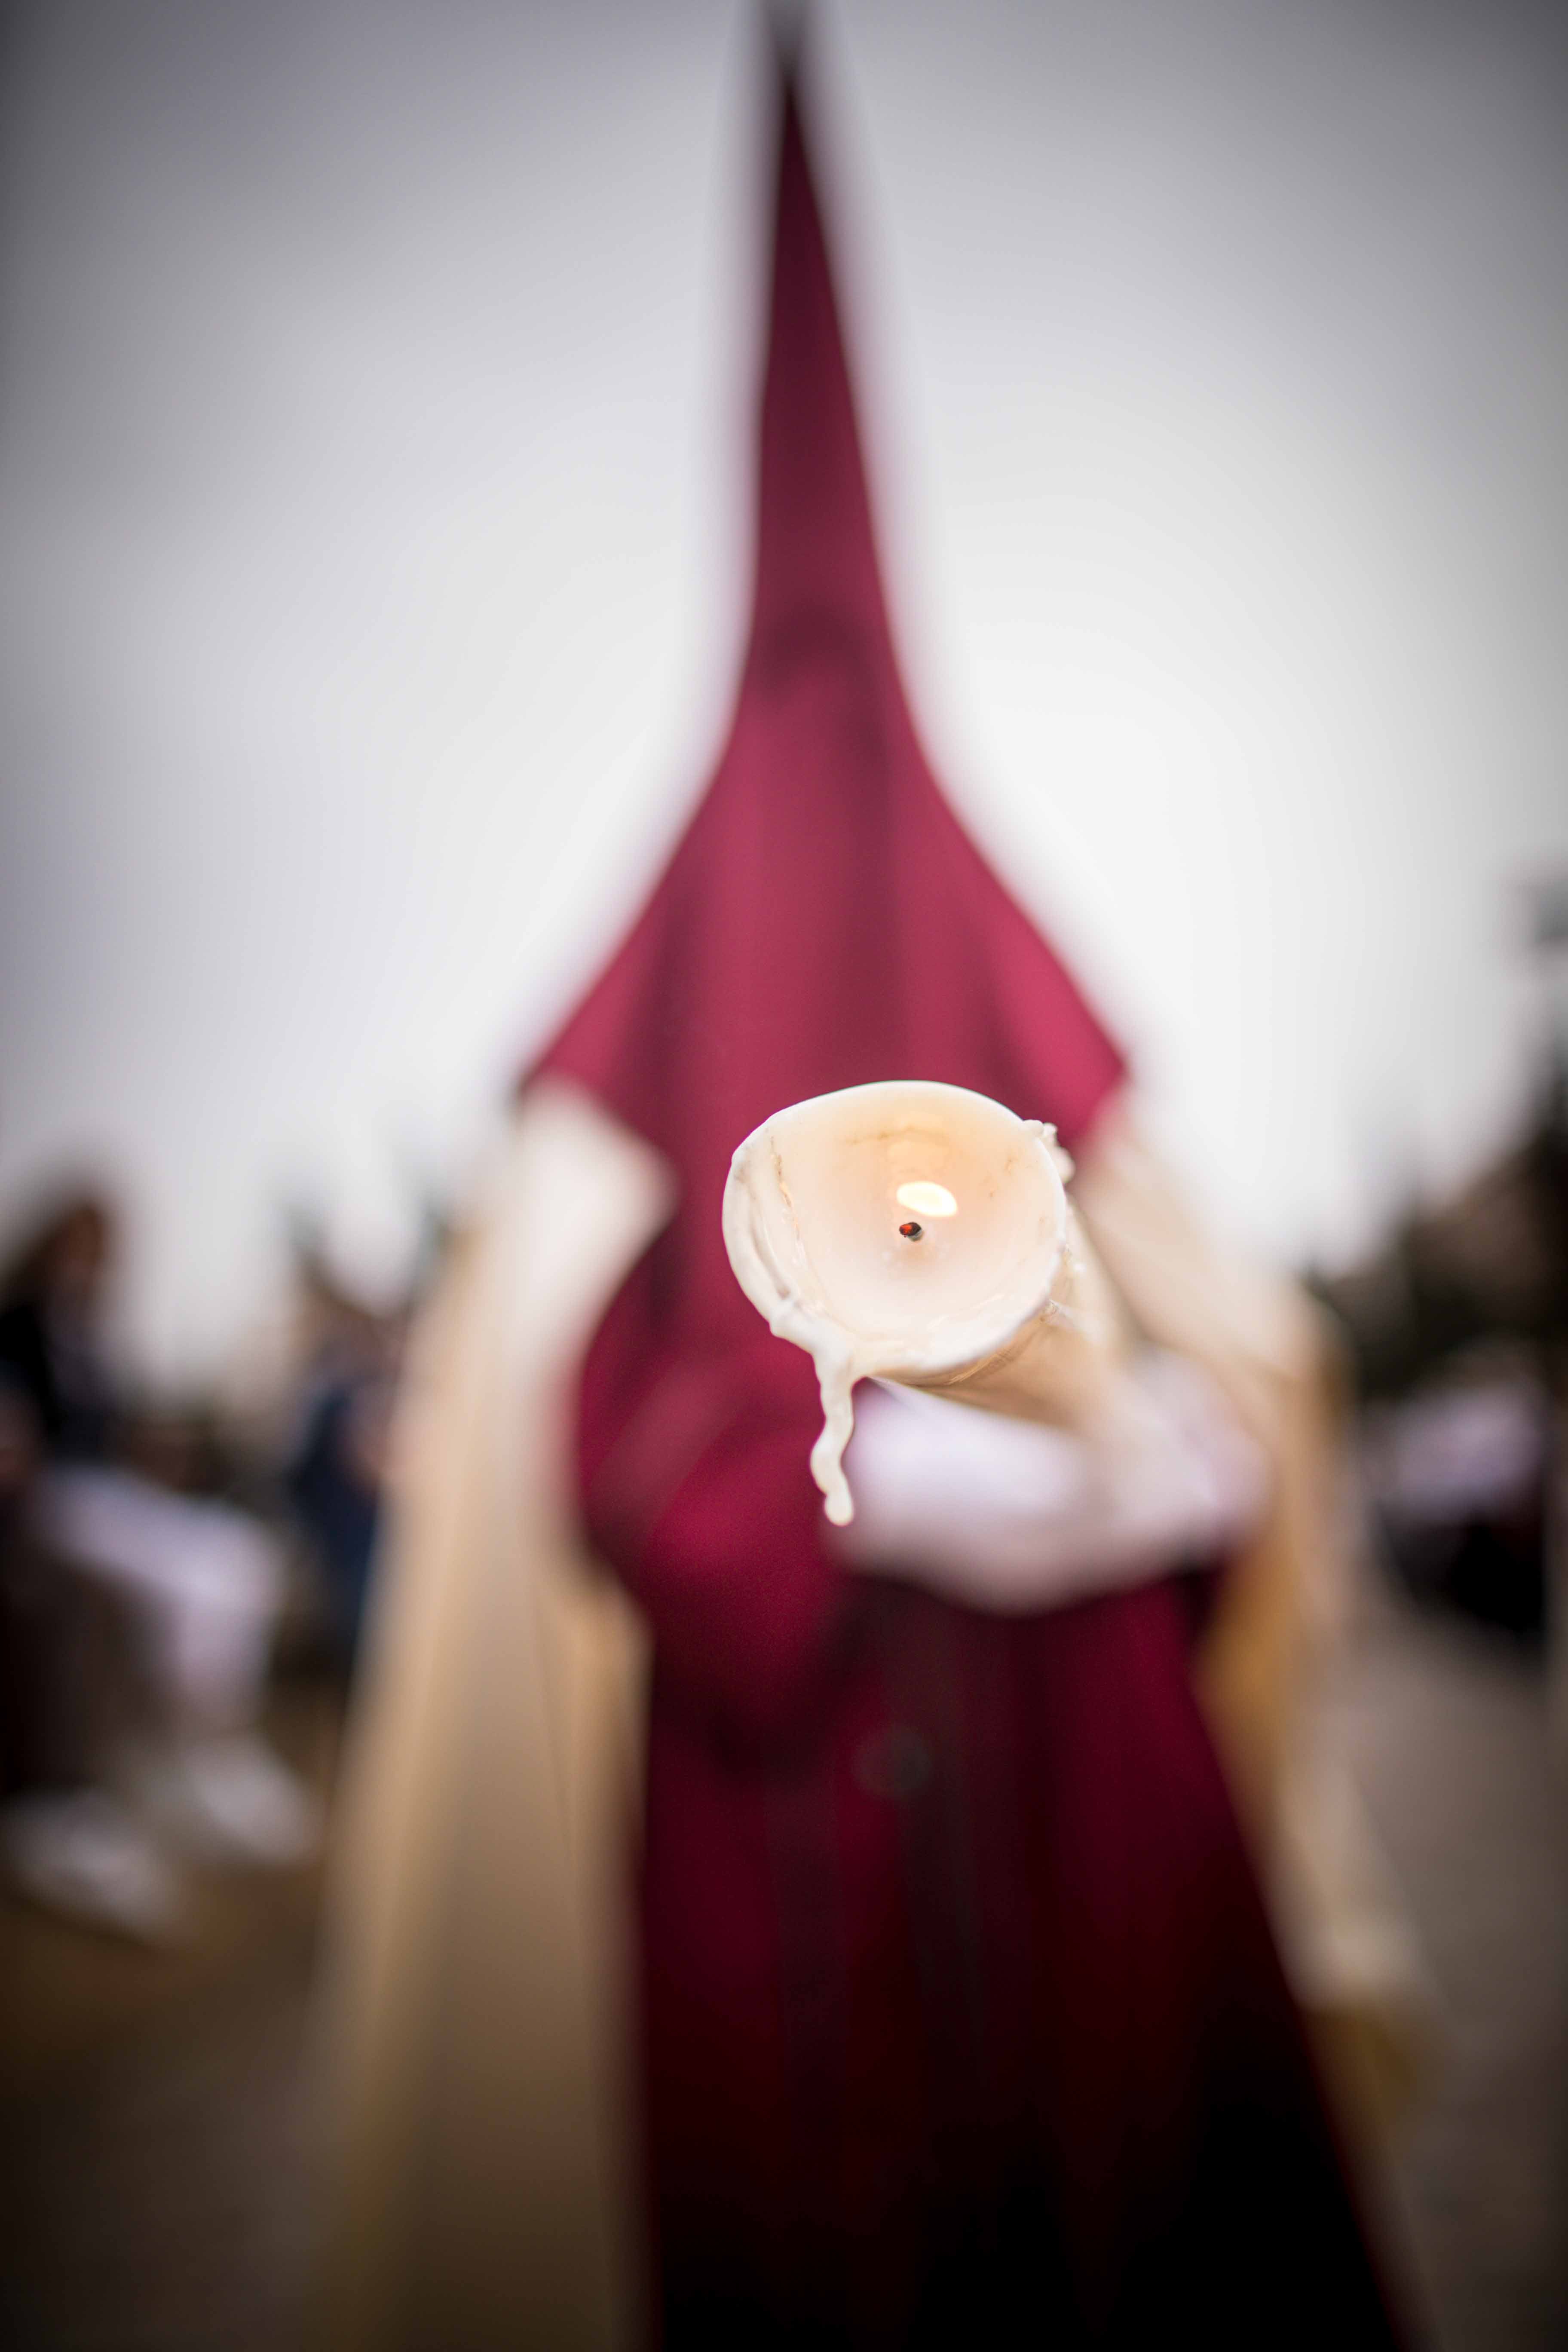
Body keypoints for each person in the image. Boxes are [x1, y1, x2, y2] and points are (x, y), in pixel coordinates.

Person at [320, 50, 1405, 2350]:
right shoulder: (652, 1029)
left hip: (1089, 1815)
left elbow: (1238, 1372)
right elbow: (580, 1436)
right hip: (775, 1859)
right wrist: (844, 1495)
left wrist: (1151, 1464)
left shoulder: (986, 938)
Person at [0, 1190, 319, 1930]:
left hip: (105, 1490)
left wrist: (155, 1449)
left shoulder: (93, 1334)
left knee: (238, 1557)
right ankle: (164, 1760)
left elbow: (112, 1429)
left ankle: (208, 1749)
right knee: (175, 1578)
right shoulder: (18, 1328)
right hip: (54, 1501)